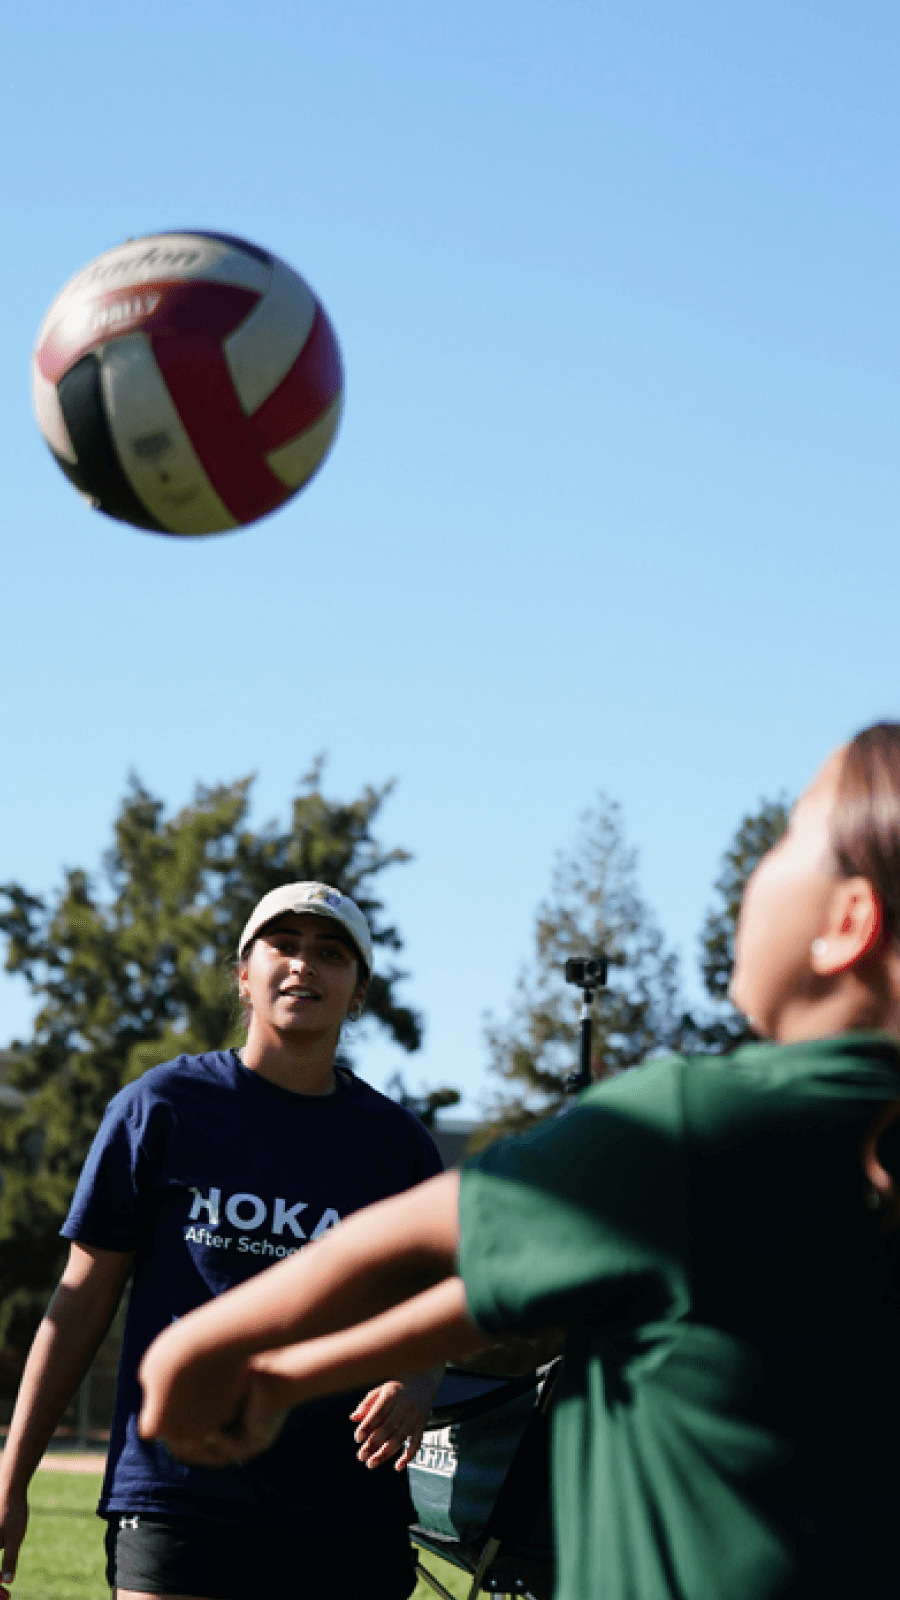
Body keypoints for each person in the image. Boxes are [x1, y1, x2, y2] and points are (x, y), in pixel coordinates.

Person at [138, 725, 900, 1600]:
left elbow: (420, 1243)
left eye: (790, 834)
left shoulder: (693, 1125)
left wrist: (206, 1346)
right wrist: (289, 1376)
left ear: (848, 923)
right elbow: (505, 1288)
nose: (757, 866)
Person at [0, 881, 444, 1600]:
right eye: (284, 945)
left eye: (330, 953)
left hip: (347, 1513)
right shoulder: (162, 1107)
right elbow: (79, 1302)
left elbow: (438, 1305)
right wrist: (11, 1477)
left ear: (358, 992)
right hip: (178, 1497)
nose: (304, 965)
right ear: (244, 975)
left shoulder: (395, 1146)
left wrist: (414, 1384)